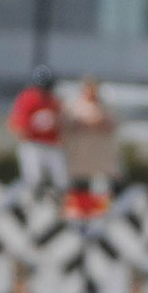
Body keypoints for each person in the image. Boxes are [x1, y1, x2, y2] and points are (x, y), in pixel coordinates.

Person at [57, 74, 121, 211]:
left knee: (107, 190)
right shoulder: (73, 106)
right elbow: (68, 124)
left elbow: (111, 124)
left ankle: (104, 213)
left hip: (101, 158)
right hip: (80, 158)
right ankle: (81, 215)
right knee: (80, 189)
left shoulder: (104, 106)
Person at [8, 67, 65, 192]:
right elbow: (19, 125)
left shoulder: (54, 101)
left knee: (61, 180)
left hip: (51, 144)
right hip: (33, 143)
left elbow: (60, 124)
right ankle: (28, 203)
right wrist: (25, 138)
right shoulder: (28, 98)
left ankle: (55, 202)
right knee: (34, 179)